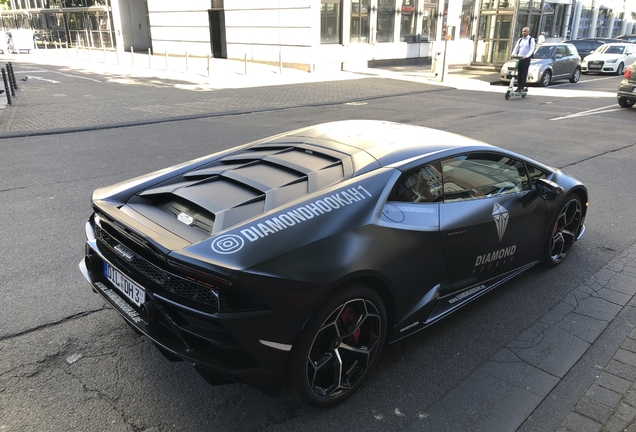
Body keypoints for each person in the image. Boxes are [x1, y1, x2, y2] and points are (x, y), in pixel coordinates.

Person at [510, 27, 536, 92]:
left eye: (525, 31)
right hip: (520, 58)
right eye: (523, 31)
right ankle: (518, 87)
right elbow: (516, 48)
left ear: (528, 32)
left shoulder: (531, 39)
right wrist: (513, 54)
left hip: (526, 59)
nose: (524, 33)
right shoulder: (520, 40)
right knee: (519, 73)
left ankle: (521, 87)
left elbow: (532, 49)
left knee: (524, 74)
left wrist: (526, 56)